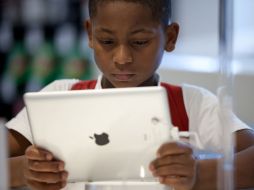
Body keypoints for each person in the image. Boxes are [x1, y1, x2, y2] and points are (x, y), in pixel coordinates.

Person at [6, 0, 254, 190]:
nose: (122, 58)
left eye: (139, 42)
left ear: (170, 37)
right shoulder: (59, 97)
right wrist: (23, 170)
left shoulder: (193, 104)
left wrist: (198, 174)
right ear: (90, 34)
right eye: (107, 41)